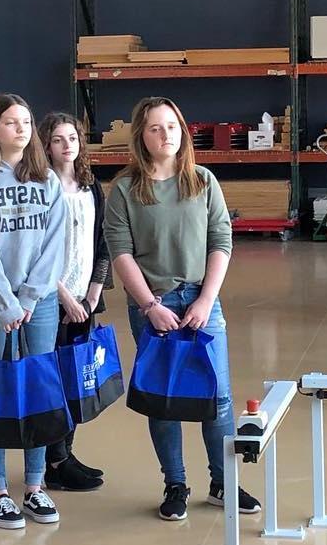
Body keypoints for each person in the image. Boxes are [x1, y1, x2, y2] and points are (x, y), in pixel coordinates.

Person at [104, 96, 260, 522]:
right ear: (141, 136)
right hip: (152, 307)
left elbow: (220, 242)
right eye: (155, 128)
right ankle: (175, 483)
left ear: (183, 131)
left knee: (218, 397)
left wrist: (207, 299)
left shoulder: (203, 181)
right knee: (163, 399)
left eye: (171, 126)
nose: (165, 135)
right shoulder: (123, 190)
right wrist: (150, 305)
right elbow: (121, 253)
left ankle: (222, 483)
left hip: (202, 301)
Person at [0, 93, 66, 529]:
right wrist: (4, 303)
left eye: (26, 121)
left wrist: (28, 298)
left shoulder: (48, 181)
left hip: (38, 304)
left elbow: (55, 245)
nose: (21, 128)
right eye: (10, 122)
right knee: (0, 391)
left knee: (38, 388)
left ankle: (36, 486)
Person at [37, 111, 109, 492]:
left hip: (86, 298)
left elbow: (103, 240)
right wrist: (64, 297)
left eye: (73, 139)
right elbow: (39, 251)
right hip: (55, 299)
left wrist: (95, 290)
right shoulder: (41, 186)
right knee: (55, 379)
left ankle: (67, 451)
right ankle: (55, 461)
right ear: (46, 145)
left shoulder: (90, 186)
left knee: (77, 378)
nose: (68, 146)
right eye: (59, 139)